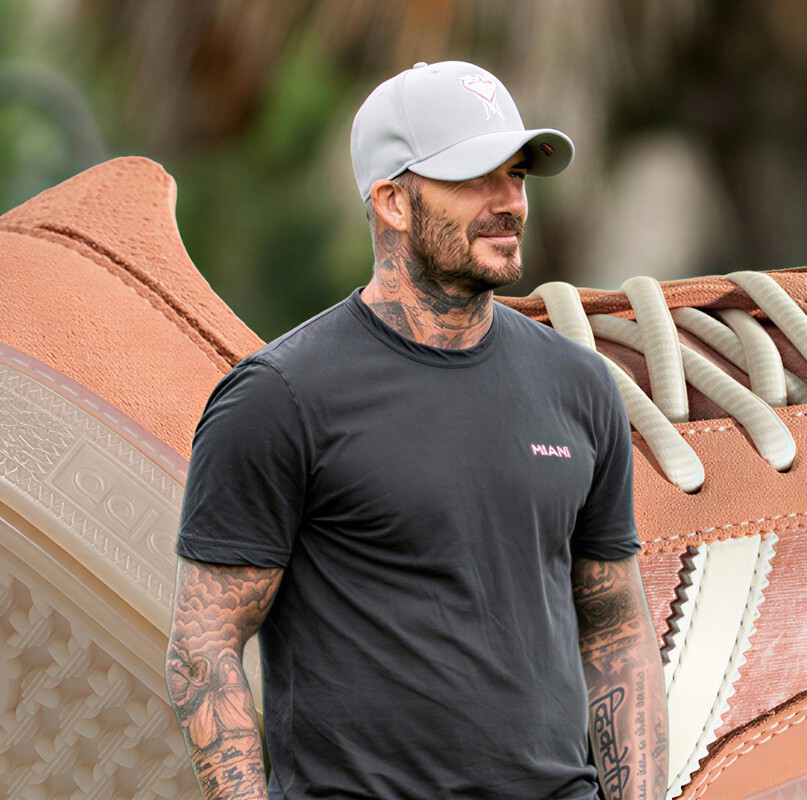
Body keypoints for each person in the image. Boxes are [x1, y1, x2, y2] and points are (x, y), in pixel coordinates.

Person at [166, 60, 668, 800]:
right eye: (475, 178)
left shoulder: (579, 385)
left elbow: (615, 628)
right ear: (393, 201)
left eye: (516, 176)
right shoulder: (279, 398)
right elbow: (203, 649)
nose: (510, 202)